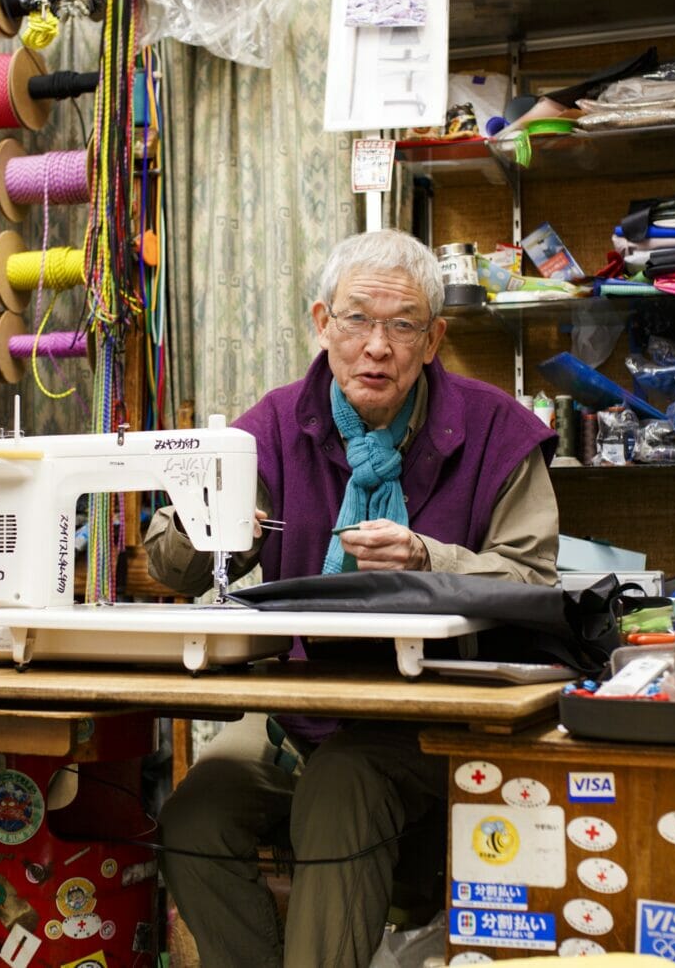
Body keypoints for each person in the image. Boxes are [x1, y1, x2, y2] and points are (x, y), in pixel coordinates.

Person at [144, 228, 559, 968]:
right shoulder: (271, 427)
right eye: (357, 319)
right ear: (321, 323)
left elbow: (534, 580)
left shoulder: (495, 430)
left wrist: (429, 560)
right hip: (299, 707)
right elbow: (173, 569)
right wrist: (213, 528)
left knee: (342, 786)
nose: (377, 346)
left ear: (433, 340)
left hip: (431, 720)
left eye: (401, 325)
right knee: (194, 815)